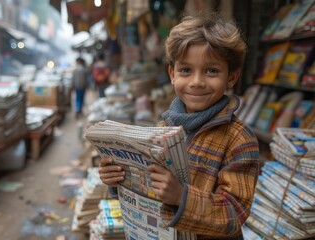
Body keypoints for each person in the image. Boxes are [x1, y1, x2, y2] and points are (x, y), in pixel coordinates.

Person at [98, 13, 259, 240]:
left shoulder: (239, 139)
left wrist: (182, 197)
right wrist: (118, 178)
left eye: (211, 70)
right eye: (186, 70)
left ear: (231, 77)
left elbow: (234, 214)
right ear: (172, 74)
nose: (196, 81)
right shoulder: (163, 127)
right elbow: (148, 189)